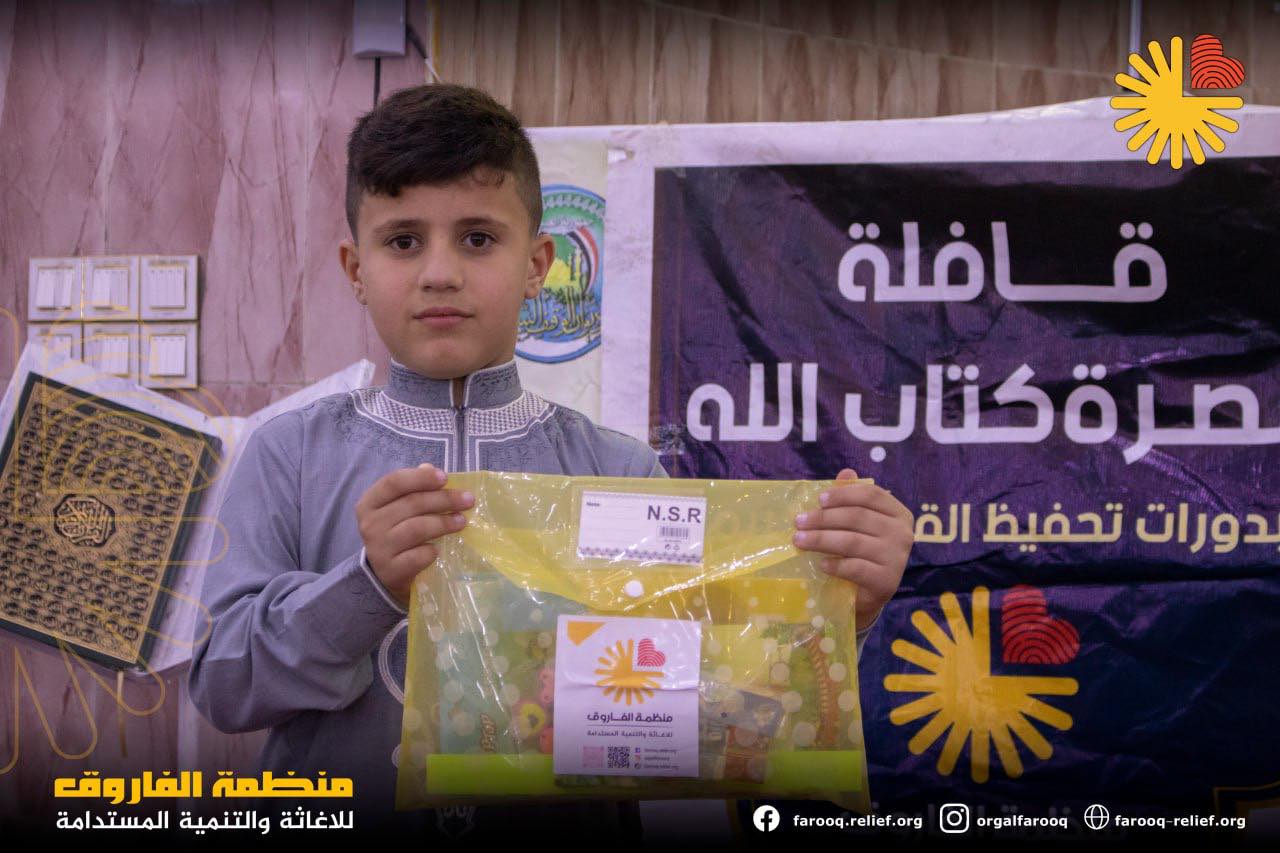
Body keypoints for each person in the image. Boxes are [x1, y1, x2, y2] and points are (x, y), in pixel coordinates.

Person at [187, 83, 914, 841]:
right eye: (403, 241)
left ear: (538, 264)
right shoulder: (291, 454)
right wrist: (363, 588)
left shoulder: (617, 472)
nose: (440, 272)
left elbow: (706, 701)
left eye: (477, 238)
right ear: (355, 268)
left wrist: (842, 611)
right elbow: (222, 689)